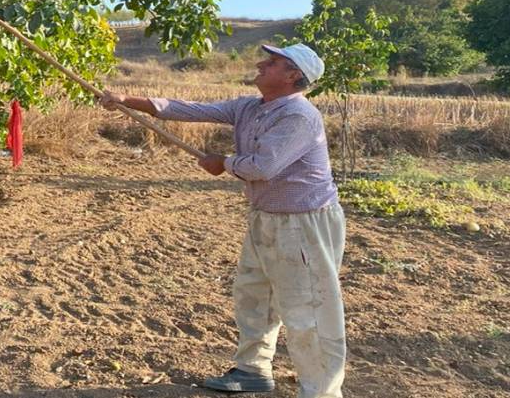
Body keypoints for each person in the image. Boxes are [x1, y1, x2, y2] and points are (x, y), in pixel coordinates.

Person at [100, 44, 346, 398]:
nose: (261, 63)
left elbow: (263, 167)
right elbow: (190, 109)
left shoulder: (299, 117)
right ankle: (252, 370)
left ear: (294, 77)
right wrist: (127, 99)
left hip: (304, 224)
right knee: (253, 295)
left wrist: (224, 163)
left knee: (308, 309)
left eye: (273, 62)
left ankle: (321, 392)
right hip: (267, 216)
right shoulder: (249, 107)